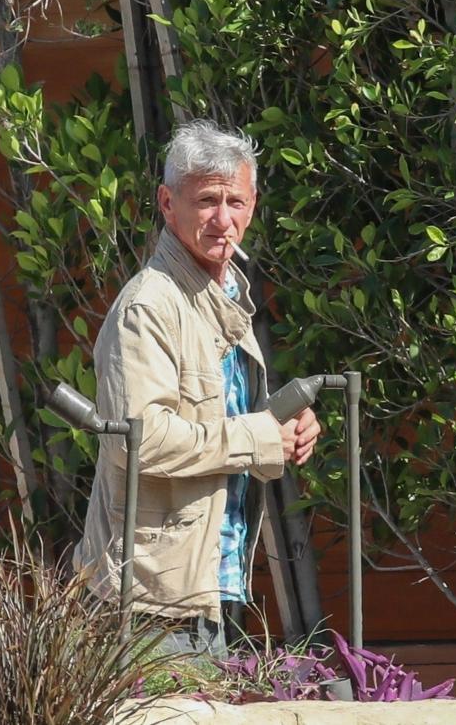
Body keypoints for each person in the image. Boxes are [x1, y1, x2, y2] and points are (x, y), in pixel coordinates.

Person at [73, 120, 321, 657]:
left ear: (254, 205)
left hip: (208, 588)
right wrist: (259, 437)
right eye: (207, 200)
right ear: (167, 203)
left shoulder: (228, 292)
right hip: (147, 603)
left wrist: (286, 428)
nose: (223, 219)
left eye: (237, 201)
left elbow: (223, 419)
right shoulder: (149, 306)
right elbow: (140, 440)